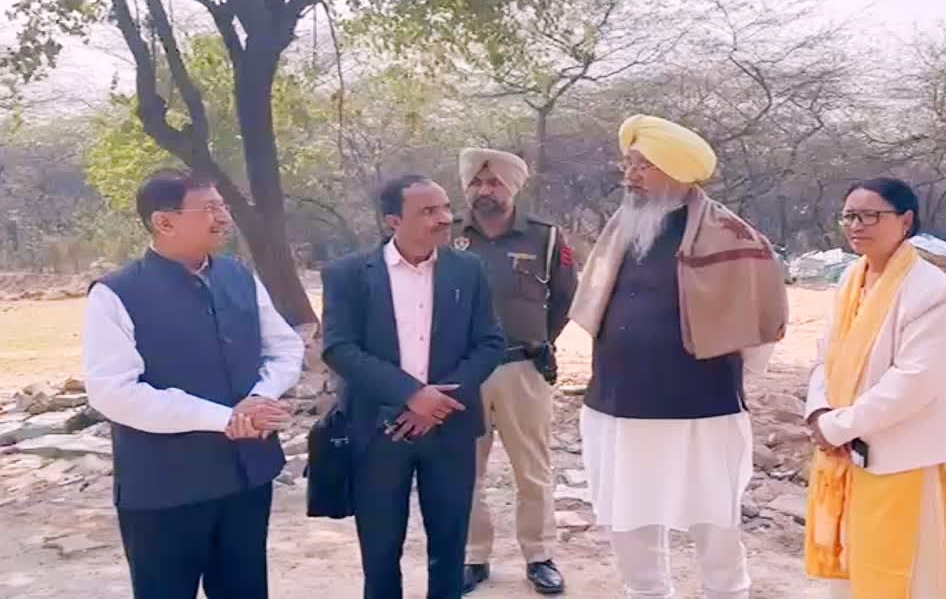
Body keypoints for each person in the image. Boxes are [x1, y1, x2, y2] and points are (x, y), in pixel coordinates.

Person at [569, 114, 788, 599]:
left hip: (701, 409)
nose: (630, 175)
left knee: (715, 519)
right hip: (618, 403)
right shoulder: (621, 227)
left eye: (643, 165)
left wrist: (718, 377)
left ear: (676, 170)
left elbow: (760, 328)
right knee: (630, 515)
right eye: (628, 163)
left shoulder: (734, 236)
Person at [83, 169, 303, 599]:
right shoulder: (116, 293)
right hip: (165, 489)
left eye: (223, 207)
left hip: (246, 477)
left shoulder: (238, 276)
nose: (224, 217)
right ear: (164, 222)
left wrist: (262, 396)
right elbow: (113, 391)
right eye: (210, 209)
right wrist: (225, 418)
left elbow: (284, 348)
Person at [803, 178, 946, 599]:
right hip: (851, 449)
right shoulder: (852, 278)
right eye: (850, 216)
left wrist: (839, 426)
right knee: (855, 572)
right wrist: (819, 412)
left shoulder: (930, 290)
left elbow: (915, 381)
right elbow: (827, 354)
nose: (857, 225)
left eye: (871, 215)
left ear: (905, 221)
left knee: (913, 574)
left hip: (910, 454)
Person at [321, 174, 506, 599]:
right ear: (392, 221)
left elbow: (490, 342)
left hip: (452, 426)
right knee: (381, 549)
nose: (445, 219)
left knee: (449, 545)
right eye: (429, 211)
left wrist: (439, 402)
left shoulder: (468, 269)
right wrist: (410, 394)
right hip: (380, 427)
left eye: (444, 208)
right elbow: (339, 348)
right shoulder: (348, 274)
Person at [454, 149, 577, 595]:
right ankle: (471, 556)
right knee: (464, 470)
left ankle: (539, 556)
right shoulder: (446, 235)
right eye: (477, 183)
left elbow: (565, 299)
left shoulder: (545, 239)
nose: (485, 191)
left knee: (533, 470)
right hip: (461, 372)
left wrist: (541, 341)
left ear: (513, 187)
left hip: (522, 367)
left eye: (495, 183)